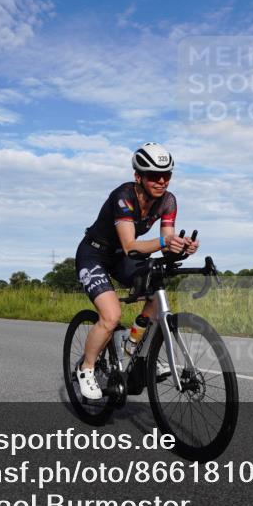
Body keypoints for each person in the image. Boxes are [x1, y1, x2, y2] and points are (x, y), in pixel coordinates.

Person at [73, 142, 199, 400]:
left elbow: (166, 245)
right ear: (138, 176)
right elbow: (131, 245)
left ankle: (132, 346)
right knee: (110, 316)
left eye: (167, 175)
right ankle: (87, 368)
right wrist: (166, 242)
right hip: (94, 254)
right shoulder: (123, 197)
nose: (162, 181)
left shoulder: (168, 201)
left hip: (122, 258)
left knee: (156, 291)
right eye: (154, 175)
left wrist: (182, 247)